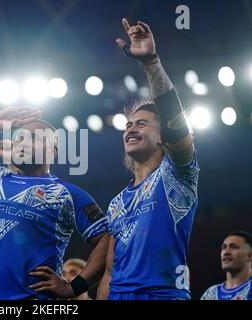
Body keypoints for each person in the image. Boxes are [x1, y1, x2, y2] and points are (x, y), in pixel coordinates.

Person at [0, 107, 110, 299]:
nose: (24, 143)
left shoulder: (67, 194)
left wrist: (73, 288)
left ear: (53, 151)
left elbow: (106, 239)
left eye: (34, 138)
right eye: (20, 138)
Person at [95, 18, 199, 300]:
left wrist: (151, 63)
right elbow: (108, 272)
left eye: (141, 123)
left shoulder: (176, 175)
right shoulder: (116, 202)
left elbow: (175, 122)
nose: (131, 128)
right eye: (128, 125)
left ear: (163, 135)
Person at [201, 231, 252, 300]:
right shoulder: (210, 294)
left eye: (234, 247)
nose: (226, 252)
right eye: (224, 247)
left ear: (250, 256)